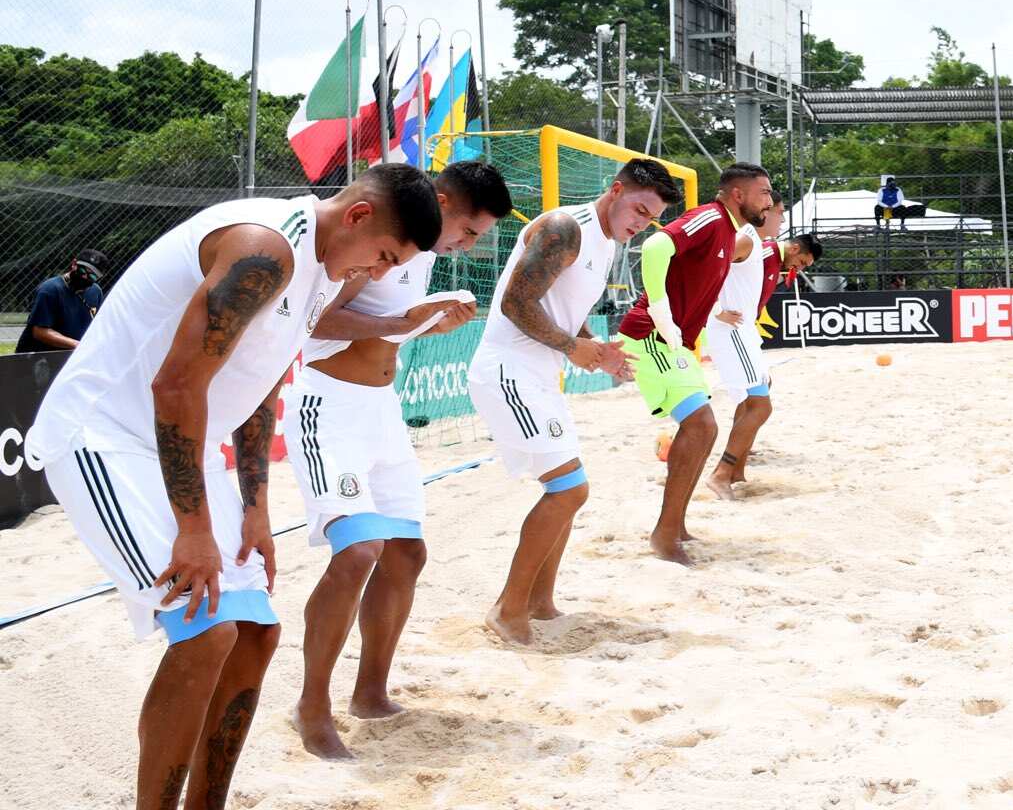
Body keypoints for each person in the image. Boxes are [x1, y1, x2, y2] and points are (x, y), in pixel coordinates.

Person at [25, 163, 438, 810]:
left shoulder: (319, 271)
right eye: (384, 256)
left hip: (184, 444)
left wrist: (254, 511)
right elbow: (176, 385)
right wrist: (194, 529)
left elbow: (260, 387)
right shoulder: (265, 247)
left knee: (255, 631)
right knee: (207, 625)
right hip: (104, 437)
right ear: (357, 216)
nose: (380, 275)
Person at [286, 160, 512, 759]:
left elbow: (390, 329)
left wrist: (420, 324)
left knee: (407, 551)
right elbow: (314, 322)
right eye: (466, 230)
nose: (466, 243)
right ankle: (311, 704)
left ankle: (369, 691)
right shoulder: (381, 242)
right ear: (439, 201)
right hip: (327, 408)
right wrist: (402, 322)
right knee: (358, 552)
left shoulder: (423, 253)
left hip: (380, 410)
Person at [470, 159, 682, 643]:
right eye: (639, 209)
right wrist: (574, 348)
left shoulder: (607, 242)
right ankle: (509, 608)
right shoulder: (567, 228)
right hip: (508, 370)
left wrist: (597, 349)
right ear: (615, 190)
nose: (641, 222)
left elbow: (560, 308)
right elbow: (514, 303)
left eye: (650, 218)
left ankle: (540, 603)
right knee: (569, 489)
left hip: (538, 374)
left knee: (570, 488)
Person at [618, 162, 775, 563]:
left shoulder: (731, 231)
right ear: (738, 194)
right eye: (765, 193)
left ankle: (675, 526)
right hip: (649, 336)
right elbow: (654, 246)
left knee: (702, 429)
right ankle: (665, 534)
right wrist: (661, 311)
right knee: (701, 425)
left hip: (676, 344)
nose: (770, 201)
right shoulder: (709, 217)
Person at [703, 191, 824, 499]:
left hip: (744, 332)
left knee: (757, 395)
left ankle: (737, 465)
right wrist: (715, 307)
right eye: (777, 211)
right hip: (732, 331)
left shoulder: (763, 248)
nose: (781, 217)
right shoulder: (762, 246)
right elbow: (708, 266)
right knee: (759, 404)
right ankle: (722, 473)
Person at [15, 248, 110, 353]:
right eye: (82, 270)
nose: (84, 276)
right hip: (39, 357)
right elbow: (40, 331)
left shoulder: (96, 292)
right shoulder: (50, 290)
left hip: (72, 356)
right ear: (74, 264)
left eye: (92, 276)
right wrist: (78, 345)